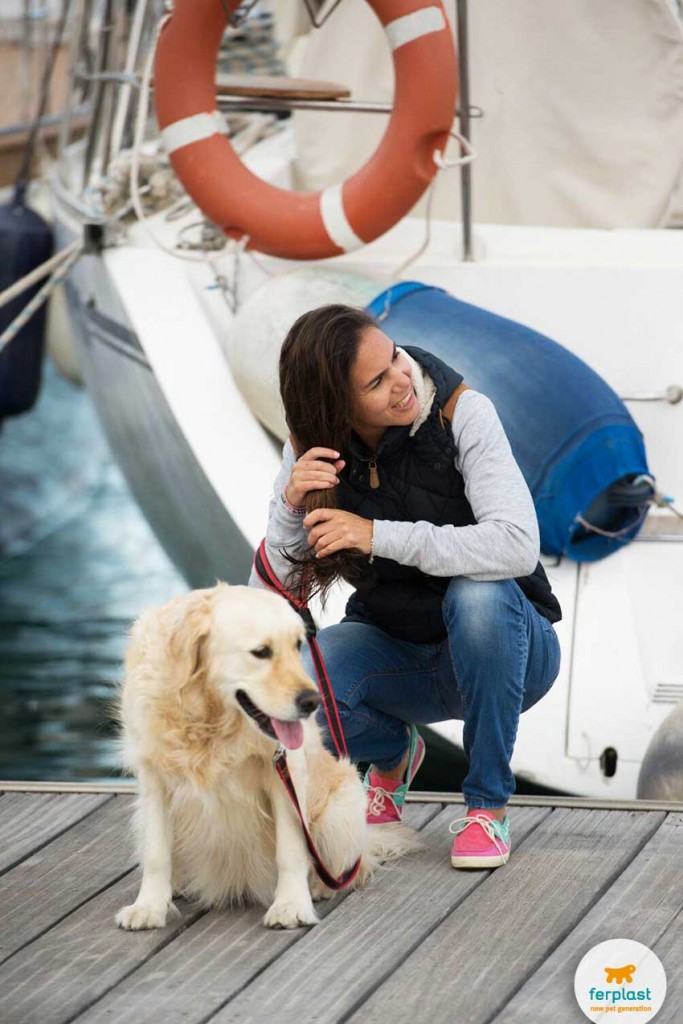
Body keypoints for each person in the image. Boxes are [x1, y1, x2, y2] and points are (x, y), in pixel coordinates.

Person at [248, 304, 561, 870]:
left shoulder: (462, 412)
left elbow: (516, 544)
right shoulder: (312, 449)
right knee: (301, 690)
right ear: (337, 407)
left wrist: (377, 535)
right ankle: (394, 754)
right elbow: (267, 601)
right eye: (376, 382)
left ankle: (487, 805)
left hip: (509, 650)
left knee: (479, 594)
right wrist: (289, 508)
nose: (402, 379)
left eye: (394, 356)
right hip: (400, 653)